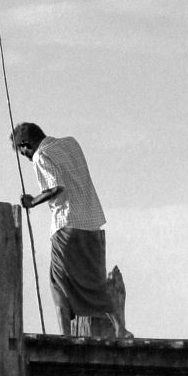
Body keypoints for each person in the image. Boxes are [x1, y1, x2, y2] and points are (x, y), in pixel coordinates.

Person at [11, 122, 120, 337]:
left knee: (57, 282)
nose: (27, 157)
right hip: (91, 223)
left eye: (24, 152)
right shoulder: (71, 143)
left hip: (66, 225)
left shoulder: (41, 156)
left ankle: (66, 337)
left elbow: (56, 187)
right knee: (94, 283)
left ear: (26, 144)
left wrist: (32, 202)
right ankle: (121, 328)